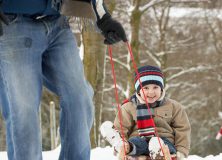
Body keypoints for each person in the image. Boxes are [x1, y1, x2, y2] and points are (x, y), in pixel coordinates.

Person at [0, 0, 126, 160]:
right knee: (23, 110)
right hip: (12, 24)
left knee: (80, 99)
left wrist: (103, 18)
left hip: (57, 23)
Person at [100, 65, 191, 160]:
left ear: (162, 88)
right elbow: (122, 127)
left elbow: (182, 129)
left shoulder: (173, 106)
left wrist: (181, 151)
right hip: (139, 142)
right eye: (146, 88)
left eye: (155, 87)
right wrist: (123, 143)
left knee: (160, 143)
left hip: (165, 143)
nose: (151, 92)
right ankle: (123, 145)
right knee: (135, 142)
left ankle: (158, 152)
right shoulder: (129, 107)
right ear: (138, 90)